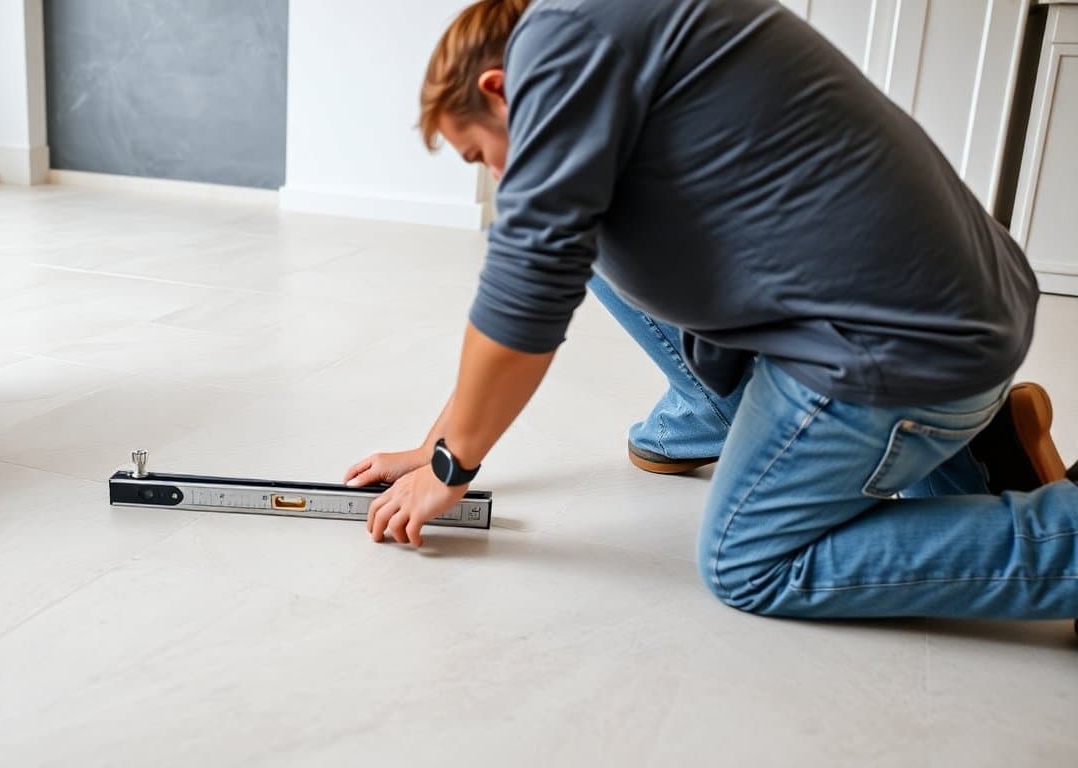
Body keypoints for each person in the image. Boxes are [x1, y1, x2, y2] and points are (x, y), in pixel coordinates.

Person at [343, 0, 1078, 622]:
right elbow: (540, 263)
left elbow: (525, 289)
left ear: (500, 89)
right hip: (947, 314)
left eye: (483, 156)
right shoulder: (608, 27)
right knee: (577, 239)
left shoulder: (561, 43)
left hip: (900, 351)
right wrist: (435, 437)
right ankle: (935, 449)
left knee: (746, 560)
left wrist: (450, 464)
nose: (502, 178)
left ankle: (1060, 538)